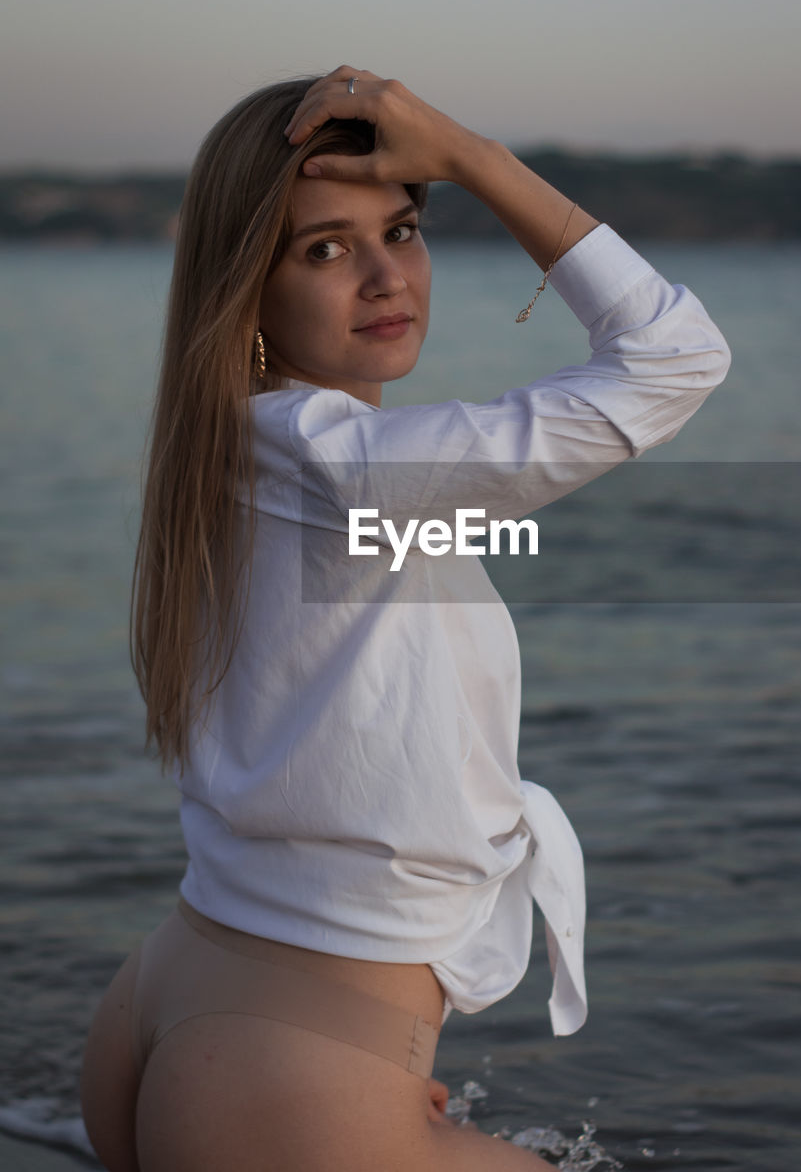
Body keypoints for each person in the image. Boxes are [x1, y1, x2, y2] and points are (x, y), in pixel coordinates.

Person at [79, 65, 731, 1171]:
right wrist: (472, 158)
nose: (387, 275)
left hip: (182, 998)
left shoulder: (240, 445)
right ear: (248, 286)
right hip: (285, 1069)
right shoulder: (351, 469)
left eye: (406, 225)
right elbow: (676, 356)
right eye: (324, 248)